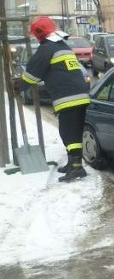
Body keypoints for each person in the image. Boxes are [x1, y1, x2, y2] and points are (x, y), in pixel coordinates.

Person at [13, 16, 91, 181]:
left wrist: (18, 86)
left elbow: (32, 76)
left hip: (68, 97)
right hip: (81, 95)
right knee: (74, 131)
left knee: (68, 132)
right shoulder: (63, 46)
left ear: (39, 34)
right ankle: (74, 164)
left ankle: (76, 167)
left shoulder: (46, 50)